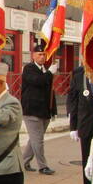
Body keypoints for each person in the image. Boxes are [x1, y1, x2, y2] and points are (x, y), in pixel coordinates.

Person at [19, 44, 57, 174]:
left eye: (44, 54)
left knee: (34, 139)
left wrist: (54, 111)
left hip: (44, 111)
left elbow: (50, 92)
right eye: (39, 54)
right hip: (32, 110)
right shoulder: (29, 68)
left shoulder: (45, 70)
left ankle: (23, 162)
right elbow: (38, 81)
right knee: (38, 140)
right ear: (33, 55)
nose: (42, 57)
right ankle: (43, 166)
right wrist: (50, 73)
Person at [67, 63, 93, 184]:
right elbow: (73, 100)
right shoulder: (79, 75)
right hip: (85, 123)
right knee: (87, 158)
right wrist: (73, 126)